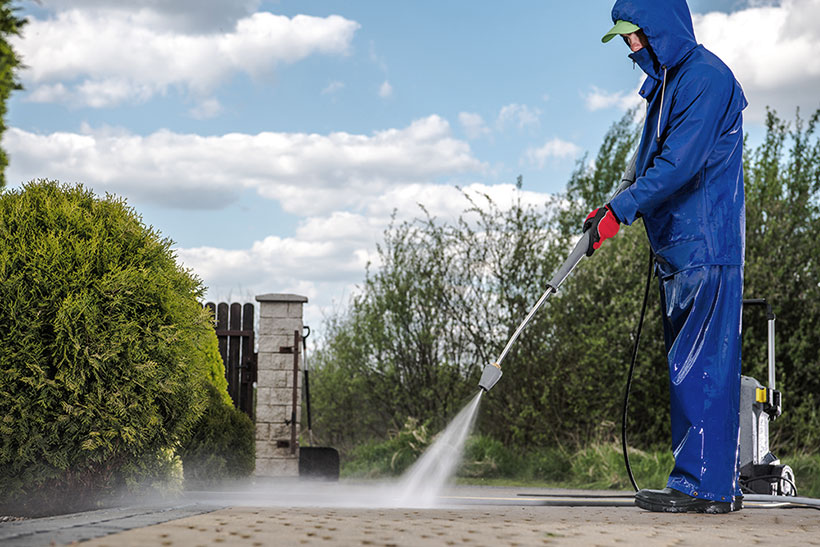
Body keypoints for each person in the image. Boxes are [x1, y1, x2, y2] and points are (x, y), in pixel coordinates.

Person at [584, 0, 748, 513]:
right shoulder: (670, 85)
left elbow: (677, 165)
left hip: (705, 242)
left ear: (662, 29)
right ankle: (714, 484)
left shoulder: (704, 78)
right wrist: (613, 205)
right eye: (626, 39)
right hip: (682, 248)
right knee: (691, 367)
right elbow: (649, 166)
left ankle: (704, 487)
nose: (632, 48)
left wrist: (622, 210)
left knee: (703, 368)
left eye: (636, 36)